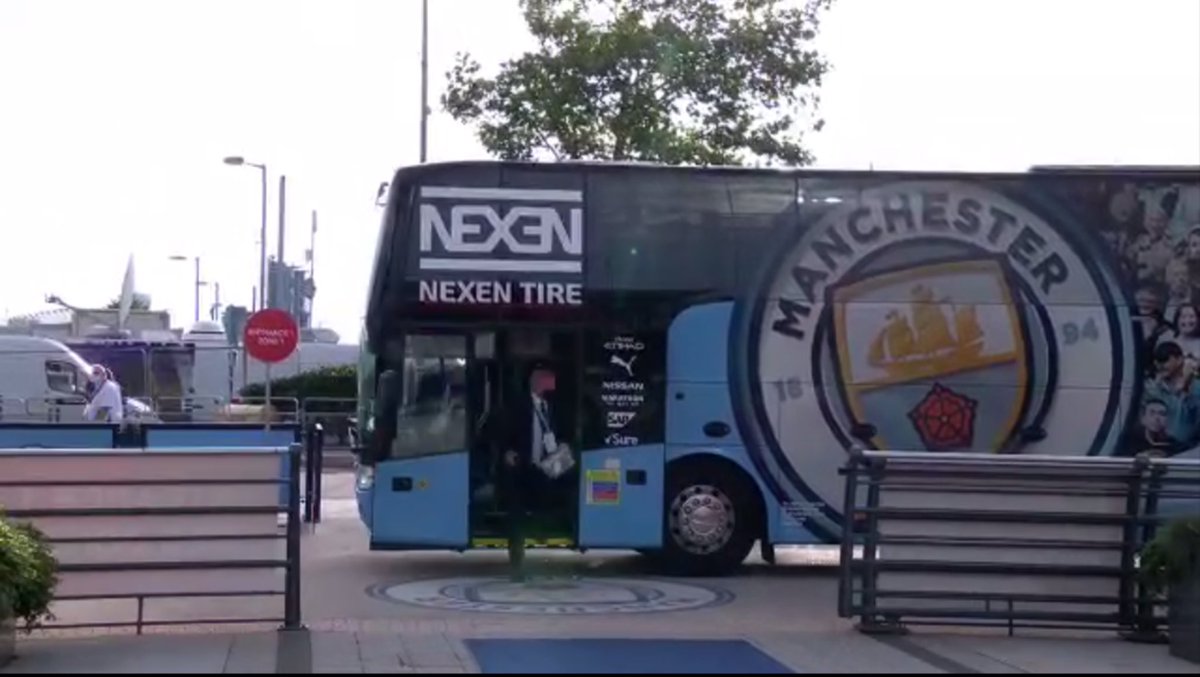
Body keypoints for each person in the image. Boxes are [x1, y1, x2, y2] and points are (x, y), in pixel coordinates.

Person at [494, 360, 574, 580]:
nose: (553, 382)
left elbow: (559, 432)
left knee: (548, 506)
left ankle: (544, 548)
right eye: (549, 377)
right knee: (516, 516)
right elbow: (502, 431)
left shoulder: (553, 407)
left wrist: (563, 446)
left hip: (545, 469)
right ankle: (517, 565)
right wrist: (507, 451)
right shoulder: (517, 405)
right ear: (537, 381)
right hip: (521, 468)